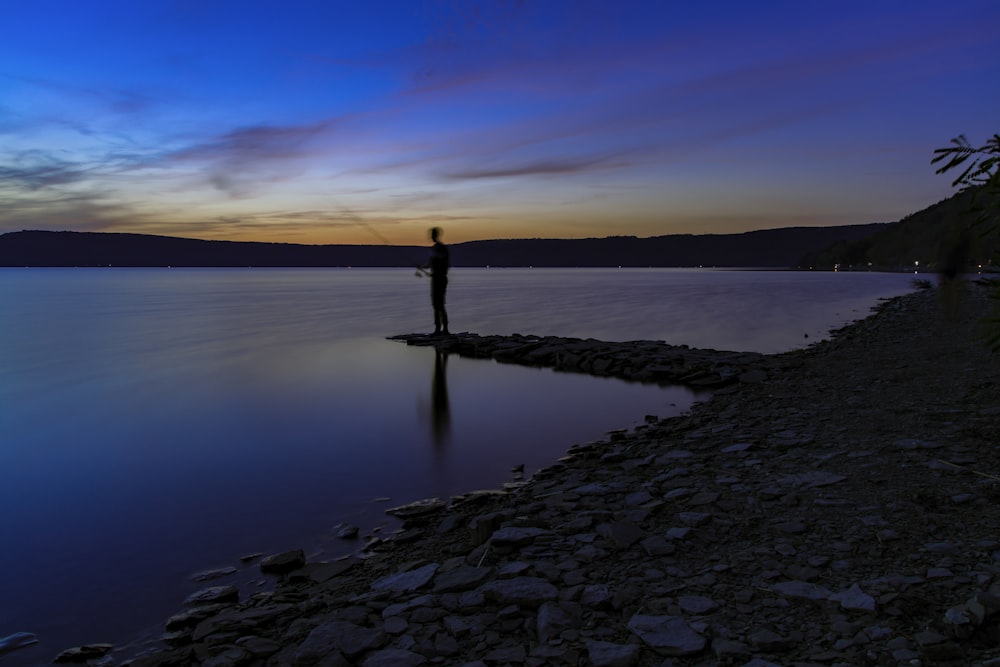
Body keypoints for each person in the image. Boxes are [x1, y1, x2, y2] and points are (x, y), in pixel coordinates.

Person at [427, 227, 450, 335]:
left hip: (439, 279)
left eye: (432, 234)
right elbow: (432, 263)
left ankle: (442, 329)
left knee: (439, 304)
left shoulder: (440, 248)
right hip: (436, 278)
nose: (430, 236)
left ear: (435, 235)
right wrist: (423, 266)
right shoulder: (436, 248)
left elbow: (440, 262)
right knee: (436, 304)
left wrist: (436, 271)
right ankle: (439, 328)